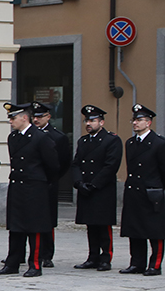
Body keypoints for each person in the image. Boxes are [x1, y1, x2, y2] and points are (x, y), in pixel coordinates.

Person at [0, 102, 59, 277]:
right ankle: (13, 263)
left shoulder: (40, 137)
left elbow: (53, 166)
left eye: (13, 118)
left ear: (25, 117)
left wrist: (42, 183)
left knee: (34, 228)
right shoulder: (13, 138)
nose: (11, 121)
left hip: (35, 188)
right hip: (18, 186)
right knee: (16, 227)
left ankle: (35, 264)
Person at [72, 105, 122, 271]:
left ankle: (106, 258)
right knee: (90, 225)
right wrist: (79, 183)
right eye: (87, 120)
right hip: (86, 187)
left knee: (103, 225)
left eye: (92, 120)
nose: (88, 123)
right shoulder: (83, 141)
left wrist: (94, 184)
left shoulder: (111, 140)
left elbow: (111, 165)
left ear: (101, 122)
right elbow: (76, 163)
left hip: (101, 189)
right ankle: (92, 256)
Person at [119, 104, 165, 275]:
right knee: (135, 229)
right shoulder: (130, 143)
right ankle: (137, 263)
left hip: (152, 193)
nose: (135, 123)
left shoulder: (159, 143)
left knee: (155, 231)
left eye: (139, 120)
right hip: (134, 192)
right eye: (134, 120)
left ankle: (155, 264)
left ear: (149, 123)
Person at [31, 102, 71, 267]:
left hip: (48, 184)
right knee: (28, 219)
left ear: (48, 117)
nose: (36, 119)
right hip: (31, 184)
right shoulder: (28, 134)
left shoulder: (57, 137)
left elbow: (62, 163)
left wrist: (51, 179)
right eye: (34, 116)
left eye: (40, 116)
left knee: (47, 220)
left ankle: (46, 254)